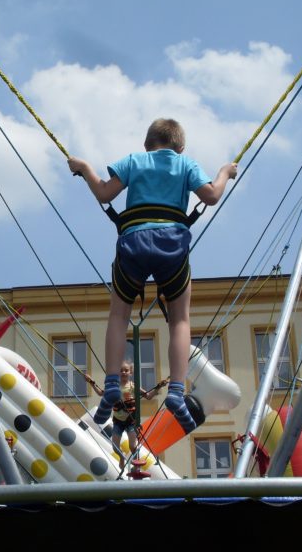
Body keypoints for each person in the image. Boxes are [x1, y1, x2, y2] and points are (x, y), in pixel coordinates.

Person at [68, 118, 237, 431]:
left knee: (118, 316)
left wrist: (85, 168)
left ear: (147, 143)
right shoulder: (186, 163)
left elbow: (105, 194)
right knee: (180, 320)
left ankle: (112, 383)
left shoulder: (134, 160)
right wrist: (226, 171)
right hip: (171, 245)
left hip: (134, 243)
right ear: (180, 146)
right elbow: (212, 195)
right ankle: (175, 389)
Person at [85, 363, 168, 470]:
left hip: (130, 421)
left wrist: (159, 386)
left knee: (133, 446)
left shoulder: (133, 386)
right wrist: (91, 382)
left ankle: (136, 464)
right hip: (118, 421)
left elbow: (148, 396)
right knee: (115, 447)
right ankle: (122, 457)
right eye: (121, 370)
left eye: (126, 370)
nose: (123, 372)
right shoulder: (113, 387)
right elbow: (101, 393)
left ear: (130, 373)